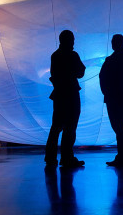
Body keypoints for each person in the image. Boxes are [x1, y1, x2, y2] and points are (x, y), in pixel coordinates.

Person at [45, 30, 86, 167]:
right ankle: (67, 158)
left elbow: (54, 74)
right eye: (72, 39)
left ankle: (50, 157)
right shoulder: (73, 55)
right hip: (71, 94)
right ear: (69, 40)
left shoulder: (55, 56)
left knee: (56, 126)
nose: (74, 42)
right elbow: (81, 72)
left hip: (59, 95)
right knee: (70, 127)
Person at [100, 34, 123, 166]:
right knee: (120, 126)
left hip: (113, 98)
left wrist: (106, 92)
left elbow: (102, 78)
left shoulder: (110, 60)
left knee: (118, 126)